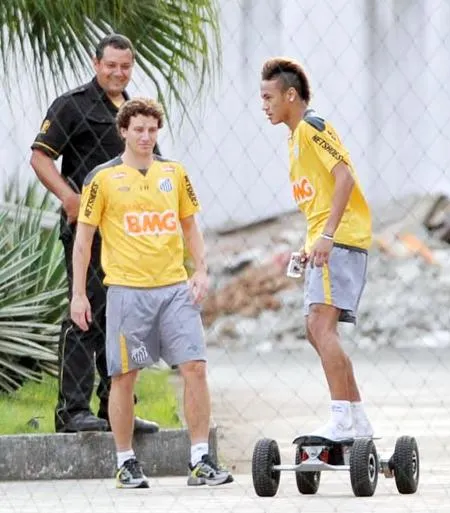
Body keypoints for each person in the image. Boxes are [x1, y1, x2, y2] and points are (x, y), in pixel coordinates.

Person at [70, 97, 233, 489]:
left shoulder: (174, 174)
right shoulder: (102, 179)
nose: (145, 137)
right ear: (123, 131)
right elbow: (84, 239)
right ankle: (126, 462)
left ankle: (200, 459)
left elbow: (190, 225)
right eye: (138, 129)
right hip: (128, 291)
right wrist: (79, 293)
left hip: (175, 288)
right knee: (125, 376)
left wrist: (202, 270)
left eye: (152, 130)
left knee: (195, 367)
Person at [30, 34, 158, 434]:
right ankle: (72, 412)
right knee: (85, 314)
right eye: (111, 65)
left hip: (130, 236)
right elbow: (40, 156)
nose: (118, 73)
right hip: (89, 232)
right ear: (95, 63)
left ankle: (115, 409)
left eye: (125, 66)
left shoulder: (134, 112)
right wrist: (69, 198)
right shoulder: (72, 105)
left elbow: (151, 165)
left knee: (125, 320)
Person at [260, 57, 374, 441]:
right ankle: (357, 421)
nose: (264, 105)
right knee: (317, 330)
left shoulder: (312, 127)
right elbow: (319, 198)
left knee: (320, 326)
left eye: (268, 96)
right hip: (327, 240)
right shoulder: (294, 140)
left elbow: (344, 177)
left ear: (291, 95)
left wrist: (326, 236)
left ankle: (341, 420)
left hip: (340, 239)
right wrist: (310, 243)